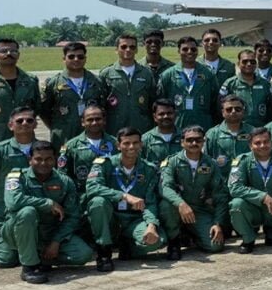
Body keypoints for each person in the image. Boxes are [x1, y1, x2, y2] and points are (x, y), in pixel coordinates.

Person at [0, 142, 93, 283]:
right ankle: (29, 267)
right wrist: (48, 203)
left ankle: (40, 258)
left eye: (48, 159)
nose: (43, 163)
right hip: (17, 231)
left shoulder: (64, 181)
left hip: (49, 233)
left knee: (83, 254)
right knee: (27, 212)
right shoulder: (17, 177)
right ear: (30, 160)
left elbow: (73, 216)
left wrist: (56, 241)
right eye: (38, 159)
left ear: (55, 160)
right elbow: (13, 202)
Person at [84, 128, 165, 270]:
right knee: (98, 202)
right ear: (118, 145)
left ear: (141, 145)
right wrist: (124, 196)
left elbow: (150, 201)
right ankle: (104, 253)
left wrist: (152, 225)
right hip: (111, 218)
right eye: (126, 143)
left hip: (133, 219)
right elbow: (92, 187)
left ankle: (128, 247)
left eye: (135, 143)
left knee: (157, 241)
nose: (131, 147)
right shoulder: (105, 164)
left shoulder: (149, 169)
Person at [0, 107, 41, 259]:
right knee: (5, 259)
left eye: (29, 120)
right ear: (11, 125)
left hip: (36, 211)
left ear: (35, 125)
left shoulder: (45, 149)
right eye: (19, 121)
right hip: (5, 213)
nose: (24, 123)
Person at [158, 126, 226, 259]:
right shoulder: (172, 162)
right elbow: (165, 187)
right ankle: (174, 242)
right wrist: (181, 204)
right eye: (189, 140)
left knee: (215, 246)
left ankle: (192, 234)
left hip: (199, 209)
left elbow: (220, 195)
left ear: (203, 142)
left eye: (198, 140)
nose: (194, 143)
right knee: (167, 205)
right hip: (177, 208)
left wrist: (217, 224)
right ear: (182, 142)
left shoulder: (211, 164)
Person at [41, 41, 107, 149]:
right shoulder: (53, 83)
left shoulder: (97, 82)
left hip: (92, 136)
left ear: (85, 58)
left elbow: (104, 108)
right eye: (71, 56)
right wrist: (57, 127)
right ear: (64, 59)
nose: (76, 59)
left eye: (80, 57)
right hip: (64, 137)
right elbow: (44, 111)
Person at [158, 36, 220, 130]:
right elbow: (160, 101)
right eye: (185, 49)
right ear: (179, 51)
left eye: (193, 49)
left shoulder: (208, 74)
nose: (189, 52)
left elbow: (215, 101)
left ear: (197, 51)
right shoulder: (168, 75)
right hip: (177, 127)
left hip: (203, 126)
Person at [99, 33, 156, 135]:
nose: (128, 50)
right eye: (124, 47)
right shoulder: (106, 73)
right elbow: (101, 104)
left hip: (141, 128)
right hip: (114, 129)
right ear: (116, 49)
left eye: (132, 47)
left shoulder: (146, 73)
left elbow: (153, 102)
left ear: (137, 50)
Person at [57, 105, 118, 194]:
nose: (94, 123)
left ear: (104, 121)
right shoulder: (70, 146)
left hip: (109, 193)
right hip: (81, 194)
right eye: (90, 120)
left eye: (98, 119)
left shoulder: (115, 143)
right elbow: (62, 174)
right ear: (82, 122)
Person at [203, 95, 254, 181]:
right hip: (220, 185)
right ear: (223, 112)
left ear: (243, 111)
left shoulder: (253, 132)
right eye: (229, 109)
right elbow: (204, 161)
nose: (233, 112)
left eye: (238, 109)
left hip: (246, 183)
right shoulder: (212, 134)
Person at [220, 50, 272, 127]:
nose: (249, 64)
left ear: (256, 64)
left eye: (252, 62)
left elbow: (271, 107)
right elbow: (221, 107)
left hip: (261, 128)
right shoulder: (230, 84)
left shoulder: (265, 84)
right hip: (239, 128)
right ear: (238, 64)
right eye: (245, 61)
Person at [140, 100, 182, 164]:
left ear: (175, 115)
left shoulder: (185, 137)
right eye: (161, 114)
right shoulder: (145, 139)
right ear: (155, 117)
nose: (166, 116)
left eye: (169, 113)